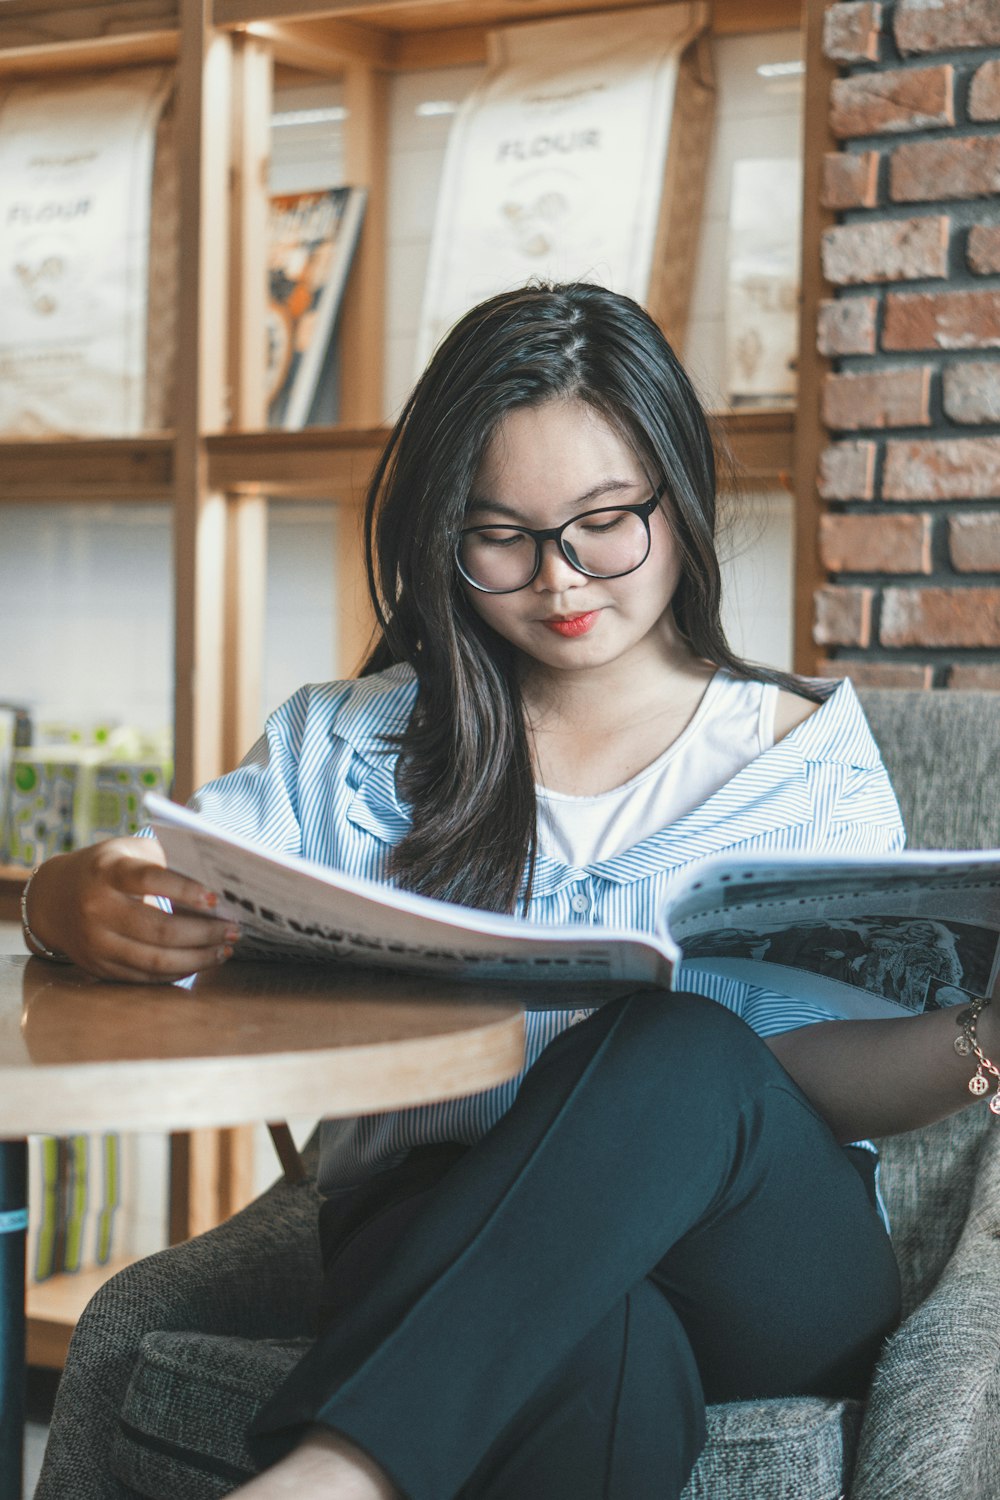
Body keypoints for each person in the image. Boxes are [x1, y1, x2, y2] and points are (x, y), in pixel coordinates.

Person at [23, 283, 999, 1500]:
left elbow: (819, 1076)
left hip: (763, 1251)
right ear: (443, 533)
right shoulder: (356, 746)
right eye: (504, 537)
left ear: (678, 498)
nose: (562, 578)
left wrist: (981, 1039)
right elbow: (159, 884)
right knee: (602, 1348)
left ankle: (333, 1472)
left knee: (681, 1044)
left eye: (605, 522)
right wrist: (65, 899)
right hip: (434, 1221)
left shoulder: (798, 759)